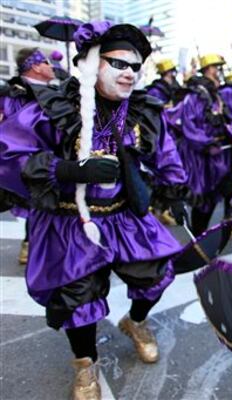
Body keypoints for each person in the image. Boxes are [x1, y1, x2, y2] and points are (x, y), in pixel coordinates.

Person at [0, 22, 189, 400]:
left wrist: (174, 190)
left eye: (136, 66)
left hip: (123, 216)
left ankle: (134, 322)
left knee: (156, 274)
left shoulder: (142, 110)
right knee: (78, 300)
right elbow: (9, 155)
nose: (130, 73)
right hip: (71, 221)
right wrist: (67, 169)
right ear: (90, 63)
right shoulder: (53, 108)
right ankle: (85, 364)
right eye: (119, 63)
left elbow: (165, 151)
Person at [166, 53, 232, 235]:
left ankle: (202, 242)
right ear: (207, 70)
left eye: (220, 67)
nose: (219, 71)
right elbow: (190, 126)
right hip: (199, 157)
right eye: (216, 67)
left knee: (211, 199)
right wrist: (207, 143)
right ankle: (196, 243)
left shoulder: (216, 95)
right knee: (201, 200)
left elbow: (223, 121)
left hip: (216, 155)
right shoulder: (194, 97)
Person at [0, 47, 57, 265]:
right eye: (46, 63)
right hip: (20, 163)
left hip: (50, 160)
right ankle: (30, 246)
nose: (51, 67)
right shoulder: (11, 95)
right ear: (35, 66)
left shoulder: (55, 94)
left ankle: (36, 246)